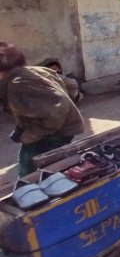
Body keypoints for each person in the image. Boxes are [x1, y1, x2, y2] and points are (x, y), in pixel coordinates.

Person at [0, 43, 84, 177]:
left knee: (30, 176)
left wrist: (30, 135)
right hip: (62, 130)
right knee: (57, 170)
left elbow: (56, 110)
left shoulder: (17, 84)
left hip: (50, 135)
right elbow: (72, 86)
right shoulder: (36, 71)